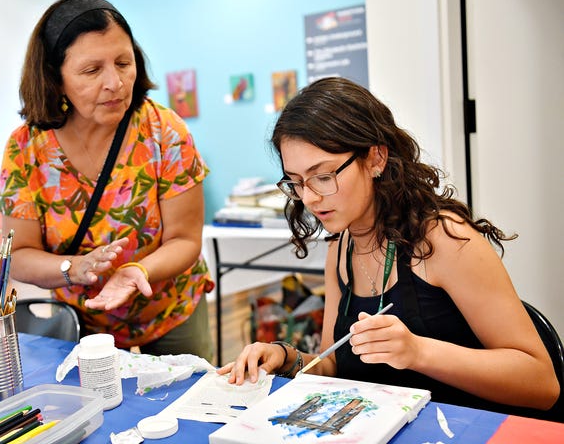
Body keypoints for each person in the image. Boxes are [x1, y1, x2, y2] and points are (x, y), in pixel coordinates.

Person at [218, 77, 560, 416]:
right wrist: (284, 356)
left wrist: (417, 352)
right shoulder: (343, 248)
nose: (309, 197)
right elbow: (334, 363)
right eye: (296, 182)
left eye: (323, 176)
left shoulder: (443, 239)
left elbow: (542, 383)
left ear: (376, 158)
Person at [0, 0, 214, 360]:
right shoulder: (26, 149)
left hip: (170, 312)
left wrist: (135, 270)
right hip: (84, 325)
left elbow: (185, 240)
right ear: (55, 77)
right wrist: (74, 268)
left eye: (123, 62)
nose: (115, 82)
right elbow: (18, 255)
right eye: (92, 70)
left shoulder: (163, 131)